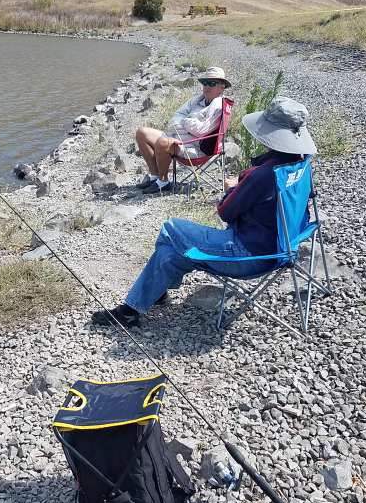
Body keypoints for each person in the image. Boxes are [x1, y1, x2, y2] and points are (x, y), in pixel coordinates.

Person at [92, 96, 317, 328]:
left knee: (171, 227)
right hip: (283, 248)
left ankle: (153, 293)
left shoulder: (263, 175)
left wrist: (232, 189)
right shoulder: (301, 165)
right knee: (169, 254)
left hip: (248, 256)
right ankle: (133, 309)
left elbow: (225, 212)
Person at [135, 66, 232, 195]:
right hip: (180, 138)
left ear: (222, 87)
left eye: (212, 83)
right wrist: (187, 125)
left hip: (197, 148)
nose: (207, 86)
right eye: (205, 83)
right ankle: (154, 177)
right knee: (142, 133)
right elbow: (175, 118)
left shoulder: (218, 107)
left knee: (163, 142)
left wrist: (185, 121)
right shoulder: (197, 101)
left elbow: (200, 130)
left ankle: (163, 182)